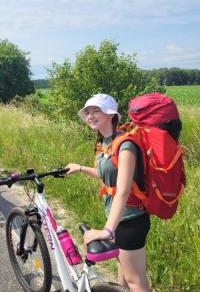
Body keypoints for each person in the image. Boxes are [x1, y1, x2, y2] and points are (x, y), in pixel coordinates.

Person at [65, 93, 150, 292]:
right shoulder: (105, 143)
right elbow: (107, 175)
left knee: (136, 281)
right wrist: (80, 168)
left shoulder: (125, 144)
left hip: (130, 220)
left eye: (96, 111)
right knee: (124, 279)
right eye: (87, 112)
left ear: (111, 115)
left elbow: (123, 190)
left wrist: (107, 231)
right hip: (117, 219)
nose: (90, 116)